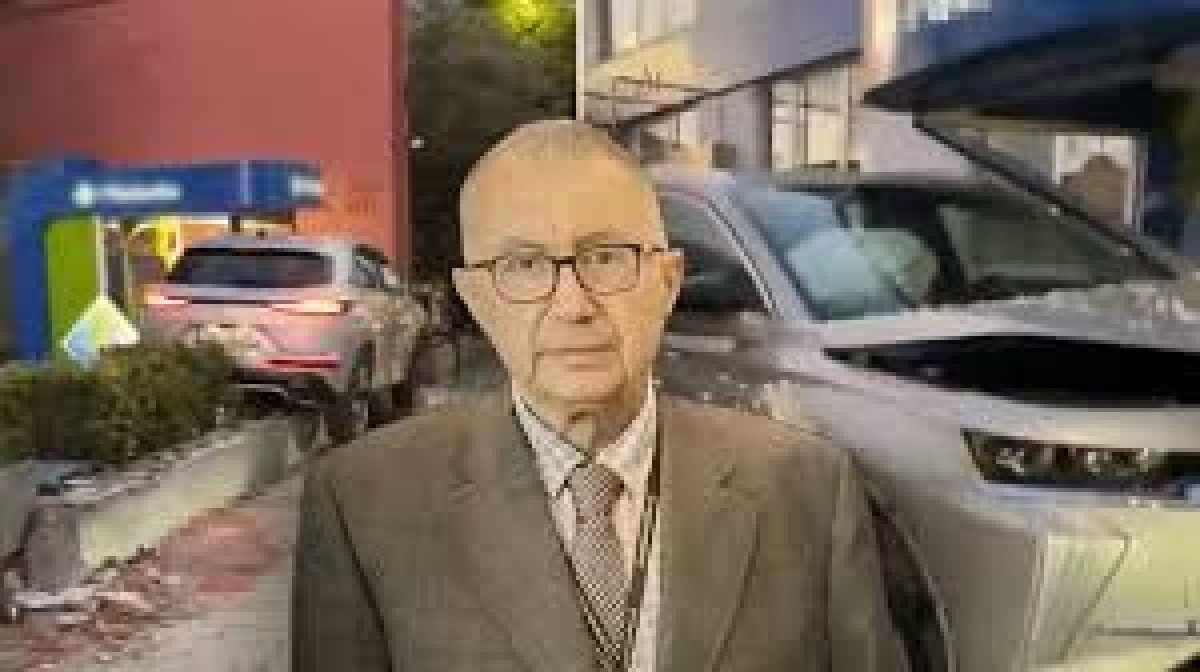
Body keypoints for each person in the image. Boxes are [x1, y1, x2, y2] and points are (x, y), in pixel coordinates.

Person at [291, 119, 906, 671]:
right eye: (524, 266)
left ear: (667, 281)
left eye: (607, 257)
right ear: (476, 299)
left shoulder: (807, 487)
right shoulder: (363, 502)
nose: (573, 305)